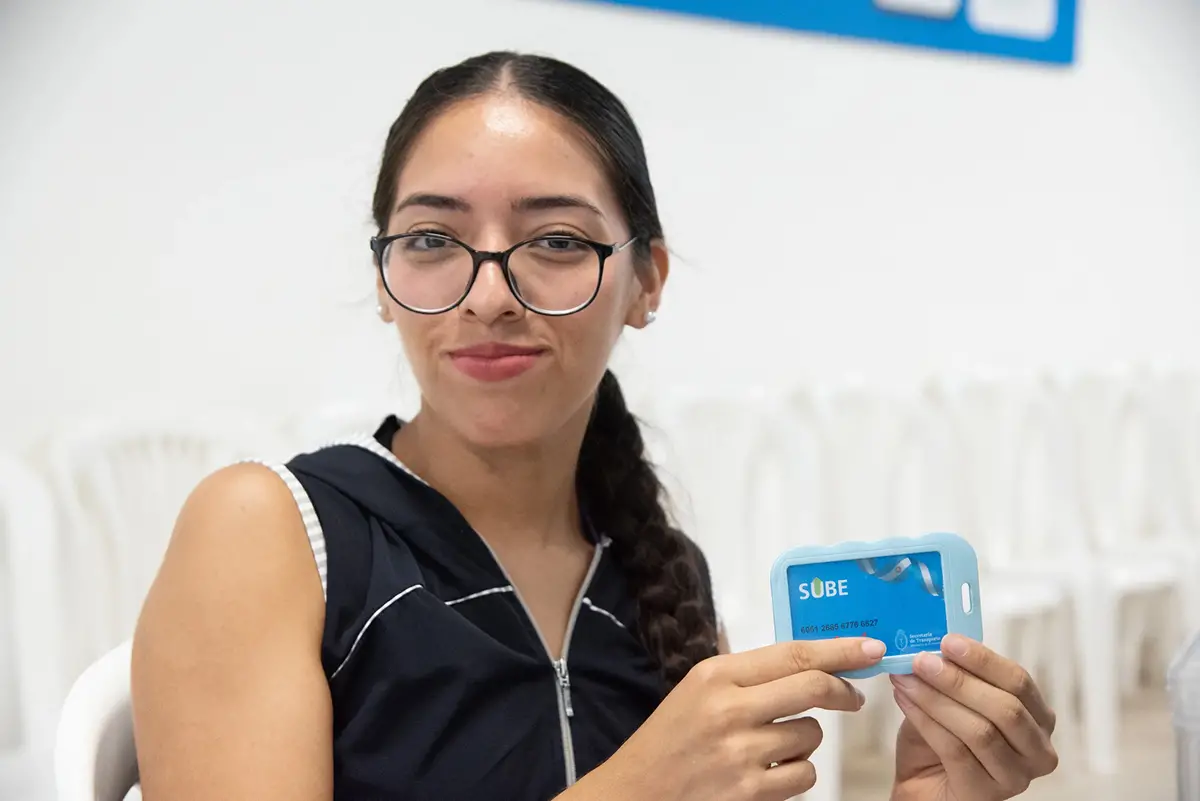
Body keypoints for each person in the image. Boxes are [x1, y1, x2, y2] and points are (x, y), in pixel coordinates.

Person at [130, 51, 1059, 801]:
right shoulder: (272, 530)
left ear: (647, 281)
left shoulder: (661, 571)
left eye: (557, 242)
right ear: (383, 278)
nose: (488, 297)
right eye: (432, 240)